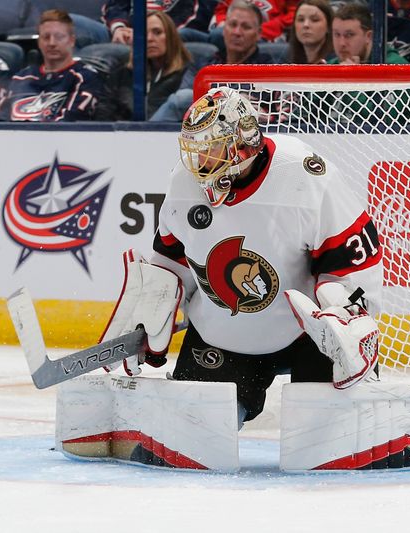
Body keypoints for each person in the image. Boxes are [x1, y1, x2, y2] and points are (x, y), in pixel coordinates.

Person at [103, 87, 382, 427]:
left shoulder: (304, 175)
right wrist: (150, 316)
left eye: (212, 148)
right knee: (195, 434)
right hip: (224, 333)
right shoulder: (184, 182)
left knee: (328, 435)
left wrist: (346, 317)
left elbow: (348, 263)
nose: (200, 161)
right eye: (196, 150)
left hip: (310, 335)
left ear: (243, 141)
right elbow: (172, 261)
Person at [150, 0, 274, 121]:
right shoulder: (202, 64)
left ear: (258, 34)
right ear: (224, 29)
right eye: (232, 25)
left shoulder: (268, 68)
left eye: (246, 27)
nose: (237, 32)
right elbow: (183, 100)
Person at [0, 9, 108, 121]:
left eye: (59, 37)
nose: (52, 43)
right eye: (46, 37)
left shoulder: (85, 78)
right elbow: (0, 121)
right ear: (39, 41)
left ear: (72, 40)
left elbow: (71, 124)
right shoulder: (21, 77)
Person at [109, 10, 192, 119]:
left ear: (171, 37)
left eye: (157, 32)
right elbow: (104, 112)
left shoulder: (187, 73)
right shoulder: (122, 73)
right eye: (144, 34)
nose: (149, 39)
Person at [104, 0, 215, 45]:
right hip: (126, 32)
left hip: (171, 34)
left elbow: (197, 15)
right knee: (87, 26)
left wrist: (146, 34)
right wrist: (118, 28)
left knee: (183, 34)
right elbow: (115, 6)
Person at [329, 2, 407, 64]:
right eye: (337, 34)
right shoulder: (332, 65)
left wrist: (356, 77)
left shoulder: (395, 66)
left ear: (369, 36)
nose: (341, 43)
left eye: (349, 35)